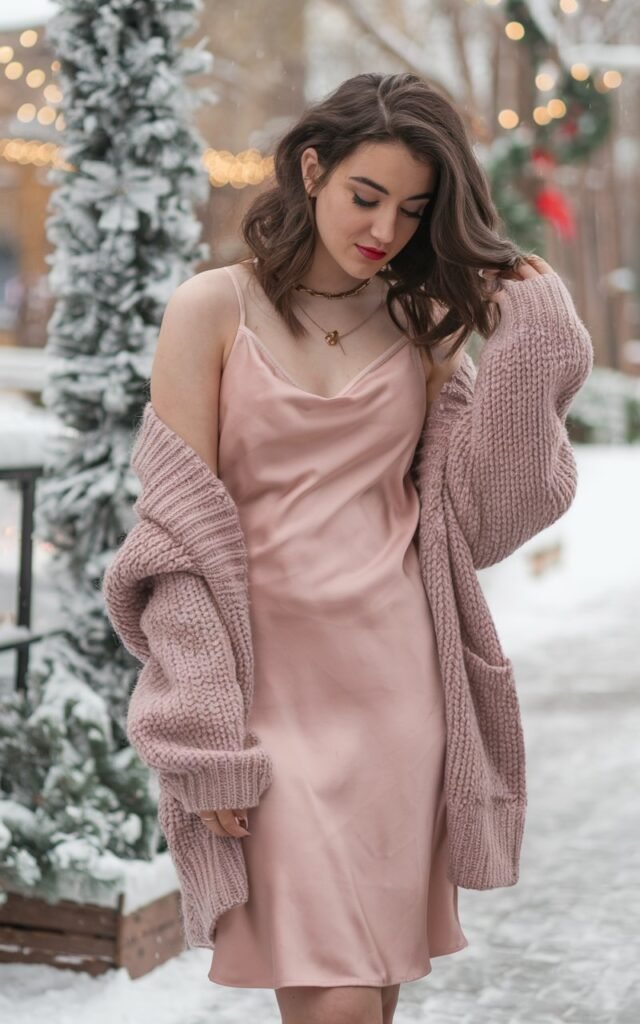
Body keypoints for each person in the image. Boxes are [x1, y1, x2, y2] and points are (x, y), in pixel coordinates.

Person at [103, 72, 593, 1024]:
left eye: (413, 211)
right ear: (313, 170)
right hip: (266, 700)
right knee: (336, 1003)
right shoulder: (210, 310)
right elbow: (175, 544)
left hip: (399, 696)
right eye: (366, 197)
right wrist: (202, 732)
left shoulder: (421, 330)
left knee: (367, 994)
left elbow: (484, 518)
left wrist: (531, 335)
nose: (384, 229)